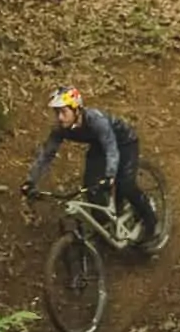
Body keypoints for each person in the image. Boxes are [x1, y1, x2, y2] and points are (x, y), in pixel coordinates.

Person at [21, 86, 162, 252]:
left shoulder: (96, 120)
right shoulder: (60, 129)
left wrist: (110, 176)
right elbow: (46, 156)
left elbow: (111, 148)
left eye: (63, 112)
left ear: (77, 110)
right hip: (98, 146)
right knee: (91, 188)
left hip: (124, 143)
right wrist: (31, 181)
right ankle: (104, 229)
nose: (59, 117)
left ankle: (151, 220)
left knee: (125, 184)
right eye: (56, 112)